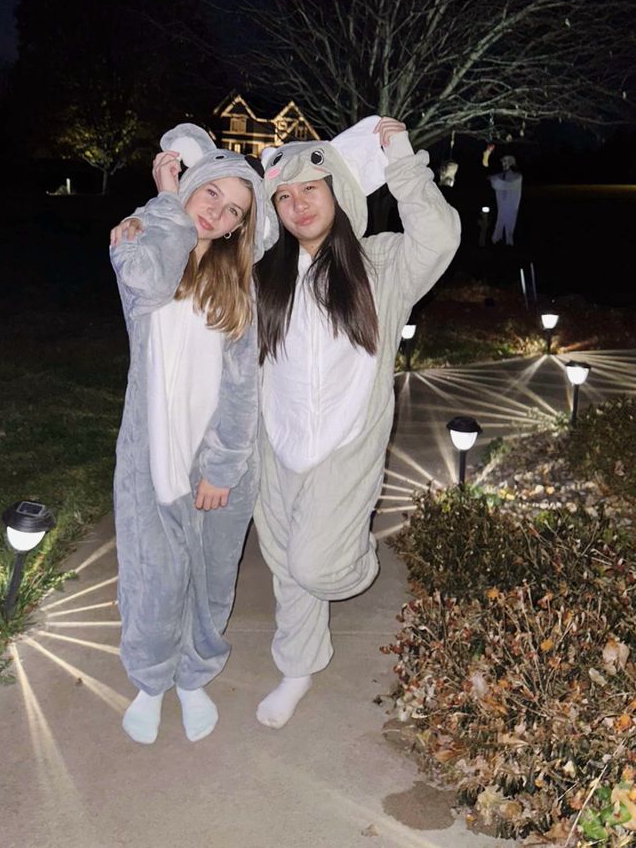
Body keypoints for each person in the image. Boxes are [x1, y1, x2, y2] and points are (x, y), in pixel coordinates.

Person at [252, 116, 460, 728]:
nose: (297, 205)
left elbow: (440, 236)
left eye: (309, 190)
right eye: (284, 197)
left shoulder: (382, 263)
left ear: (338, 192)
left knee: (319, 565)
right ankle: (296, 670)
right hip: (279, 444)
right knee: (288, 567)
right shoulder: (267, 272)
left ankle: (355, 559)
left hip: (345, 446)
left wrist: (401, 157)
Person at [109, 123, 276, 745]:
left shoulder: (237, 284)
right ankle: (151, 680)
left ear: (240, 226)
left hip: (214, 464)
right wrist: (165, 198)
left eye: (234, 211)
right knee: (156, 575)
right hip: (152, 454)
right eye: (212, 196)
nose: (219, 214)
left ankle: (193, 676)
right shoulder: (141, 243)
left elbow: (241, 386)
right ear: (192, 185)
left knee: (208, 575)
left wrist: (223, 467)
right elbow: (149, 283)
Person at [483, 144, 523, 245]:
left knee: (509, 226)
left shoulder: (517, 177)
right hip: (501, 207)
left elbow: (503, 185)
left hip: (511, 207)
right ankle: (497, 242)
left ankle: (508, 244)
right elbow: (493, 177)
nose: (503, 164)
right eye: (503, 162)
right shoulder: (502, 175)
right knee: (499, 225)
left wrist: (494, 181)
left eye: (505, 161)